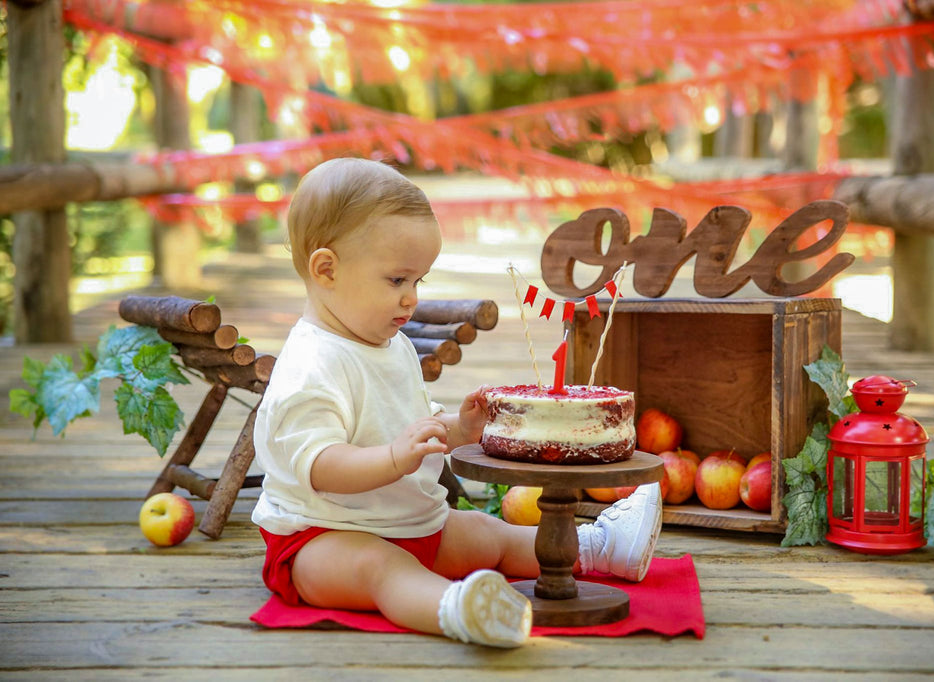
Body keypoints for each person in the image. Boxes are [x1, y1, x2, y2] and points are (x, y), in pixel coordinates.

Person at [252, 157, 662, 648]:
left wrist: (456, 429)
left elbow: (412, 432)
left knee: (485, 533)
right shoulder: (311, 364)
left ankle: (596, 548)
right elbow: (319, 465)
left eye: (418, 281)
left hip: (415, 524)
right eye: (396, 280)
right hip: (322, 540)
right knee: (383, 569)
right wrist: (392, 459)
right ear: (327, 270)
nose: (411, 299)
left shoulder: (388, 343)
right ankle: (457, 610)